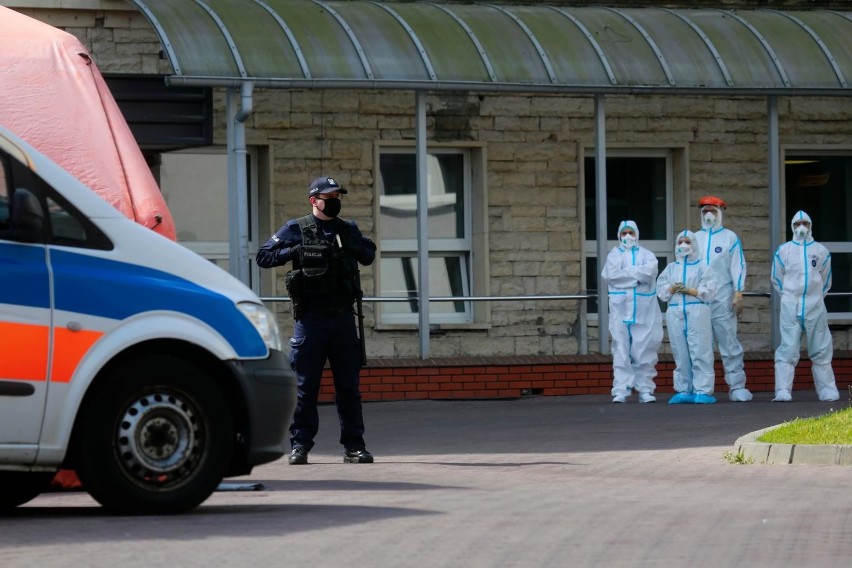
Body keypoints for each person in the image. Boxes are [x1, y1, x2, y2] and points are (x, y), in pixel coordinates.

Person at [256, 176, 378, 464]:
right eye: (329, 195)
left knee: (348, 387)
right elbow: (264, 256)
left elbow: (369, 254)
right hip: (311, 320)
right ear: (314, 200)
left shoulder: (347, 228)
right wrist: (294, 251)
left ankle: (354, 446)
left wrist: (354, 246)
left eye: (338, 195)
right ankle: (300, 446)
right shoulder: (296, 228)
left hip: (343, 319)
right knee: (305, 386)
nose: (335, 200)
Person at [770, 211, 840, 402]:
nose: (801, 227)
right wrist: (788, 296)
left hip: (815, 306)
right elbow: (777, 278)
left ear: (810, 226)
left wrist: (815, 297)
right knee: (787, 347)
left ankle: (827, 389)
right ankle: (783, 390)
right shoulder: (783, 250)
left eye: (805, 223)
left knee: (821, 347)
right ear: (792, 226)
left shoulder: (820, 251)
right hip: (790, 306)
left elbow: (826, 280)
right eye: (798, 223)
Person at [694, 196, 753, 402]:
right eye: (705, 211)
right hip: (700, 298)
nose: (708, 215)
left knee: (729, 343)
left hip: (723, 297)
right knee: (701, 345)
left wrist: (738, 292)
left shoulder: (729, 238)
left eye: (713, 211)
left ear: (721, 212)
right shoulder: (694, 239)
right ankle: (702, 388)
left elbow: (738, 265)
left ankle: (737, 386)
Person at [601, 220, 663, 403]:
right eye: (624, 233)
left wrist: (626, 274)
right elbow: (611, 276)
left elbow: (650, 274)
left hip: (643, 308)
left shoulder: (648, 255)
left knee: (644, 348)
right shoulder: (613, 255)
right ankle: (621, 389)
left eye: (631, 232)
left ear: (637, 234)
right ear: (619, 235)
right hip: (620, 308)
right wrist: (636, 277)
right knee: (621, 348)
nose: (628, 236)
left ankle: (645, 389)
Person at [656, 230, 719, 404]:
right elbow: (660, 290)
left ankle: (703, 391)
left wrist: (693, 291)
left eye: (688, 242)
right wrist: (671, 288)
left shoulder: (703, 267)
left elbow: (710, 290)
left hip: (697, 310)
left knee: (700, 350)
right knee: (680, 352)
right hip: (675, 310)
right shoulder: (671, 268)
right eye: (680, 242)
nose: (684, 245)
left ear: (694, 244)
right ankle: (684, 390)